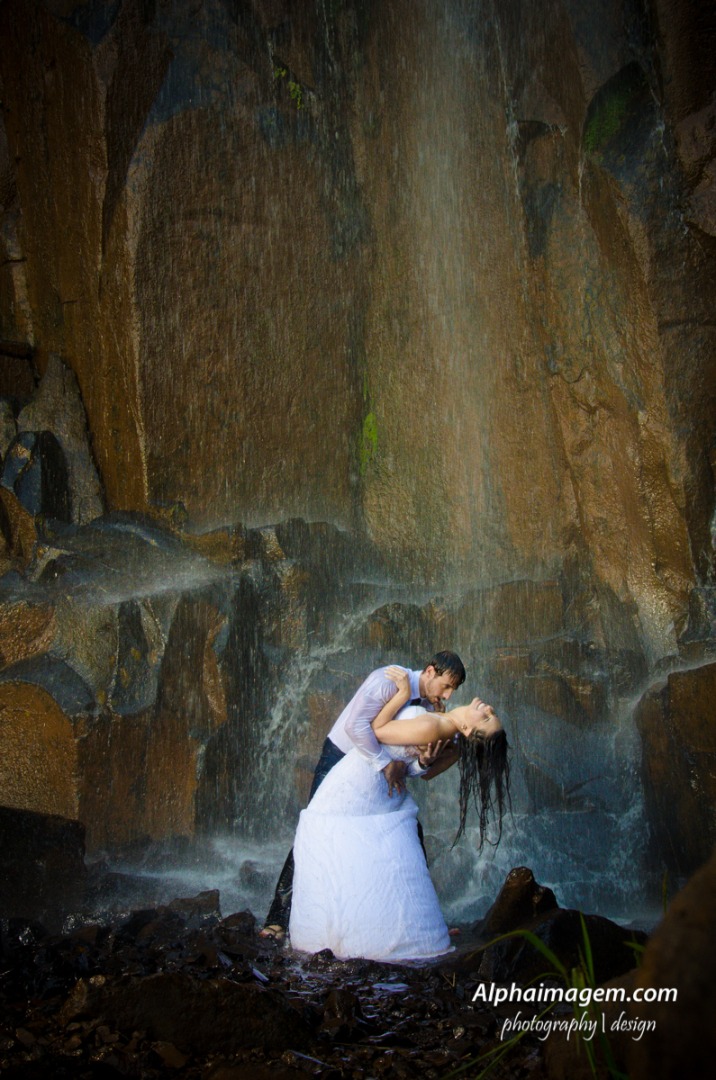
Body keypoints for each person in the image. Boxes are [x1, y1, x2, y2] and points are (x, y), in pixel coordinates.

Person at [288, 666, 510, 961]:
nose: (488, 708)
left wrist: (403, 694)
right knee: (369, 855)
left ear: (469, 732)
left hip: (363, 783)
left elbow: (377, 731)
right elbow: (417, 771)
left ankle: (343, 933)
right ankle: (363, 931)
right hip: (378, 786)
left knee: (345, 851)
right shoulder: (447, 730)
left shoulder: (435, 726)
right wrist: (421, 760)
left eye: (486, 718)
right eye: (490, 713)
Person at [260, 651, 467, 940]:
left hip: (378, 769)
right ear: (430, 671)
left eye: (452, 691)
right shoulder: (388, 680)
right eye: (446, 686)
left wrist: (424, 762)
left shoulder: (425, 706)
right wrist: (386, 765)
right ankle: (277, 919)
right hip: (341, 758)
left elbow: (408, 767)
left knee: (409, 828)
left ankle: (425, 922)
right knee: (314, 831)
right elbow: (354, 726)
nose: (447, 695)